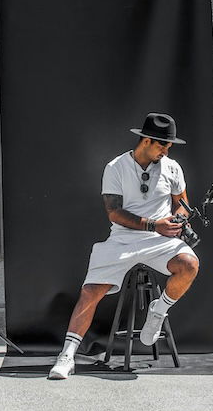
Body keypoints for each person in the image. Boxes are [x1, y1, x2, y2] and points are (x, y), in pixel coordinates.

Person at [48, 112, 200, 380]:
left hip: (160, 239)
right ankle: (67, 355)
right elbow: (114, 212)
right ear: (145, 141)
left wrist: (179, 220)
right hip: (123, 238)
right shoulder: (116, 167)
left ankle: (159, 310)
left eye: (168, 146)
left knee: (189, 264)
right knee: (90, 291)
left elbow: (182, 203)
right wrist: (155, 225)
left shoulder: (173, 167)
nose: (166, 150)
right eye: (162, 145)